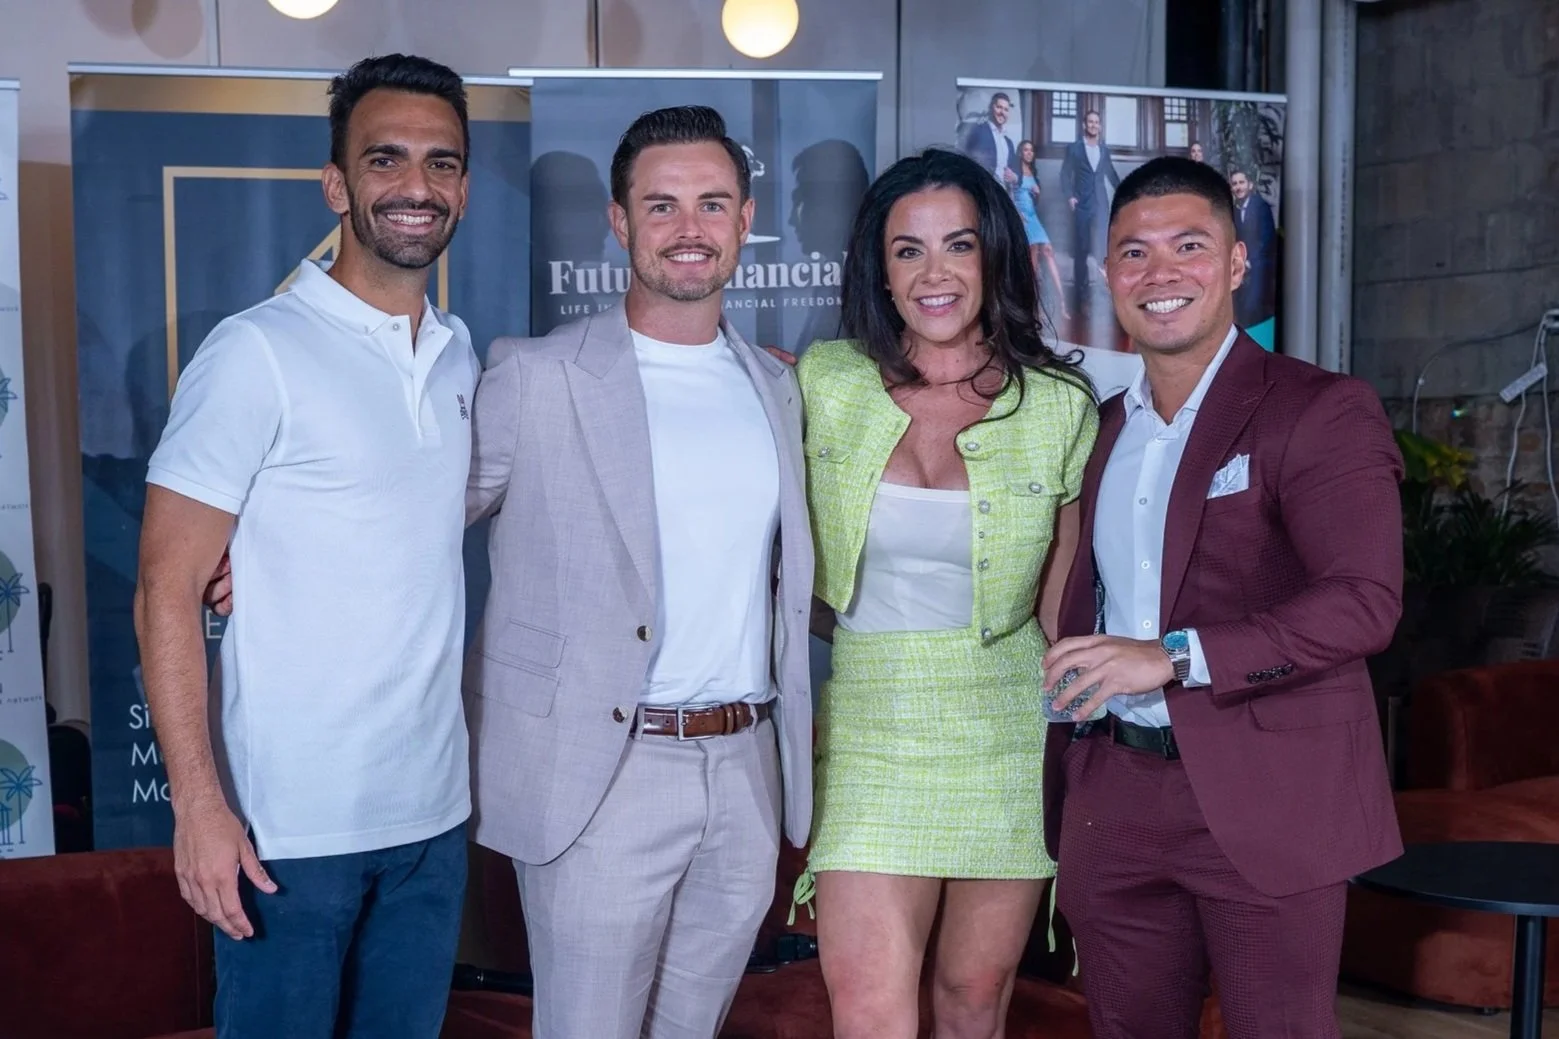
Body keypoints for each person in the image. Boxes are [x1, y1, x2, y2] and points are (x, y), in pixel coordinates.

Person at [134, 54, 477, 1038]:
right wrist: (198, 804)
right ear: (337, 185)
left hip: (432, 820)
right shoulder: (255, 351)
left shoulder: (456, 352)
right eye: (386, 160)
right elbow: (164, 586)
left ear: (461, 185)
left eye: (441, 163)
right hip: (287, 832)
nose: (416, 186)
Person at [463, 105, 814, 1039]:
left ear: (745, 221)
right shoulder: (536, 375)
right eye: (660, 206)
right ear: (619, 223)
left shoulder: (778, 388)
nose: (687, 229)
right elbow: (413, 523)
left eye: (710, 204)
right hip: (601, 770)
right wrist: (263, 556)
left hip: (744, 768)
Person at [1040, 155, 1403, 1038]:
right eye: (1133, 253)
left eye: (1188, 246)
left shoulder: (1318, 409)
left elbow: (1364, 602)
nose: (1159, 274)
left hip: (1268, 797)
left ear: (1237, 263)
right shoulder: (1103, 424)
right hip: (1114, 790)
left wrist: (1168, 656)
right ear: (1106, 275)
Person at [795, 147, 1098, 1039]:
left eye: (957, 245)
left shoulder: (1058, 405)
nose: (934, 273)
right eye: (907, 250)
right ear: (878, 272)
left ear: (992, 257)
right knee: (869, 1009)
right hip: (870, 732)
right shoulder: (824, 383)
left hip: (1003, 729)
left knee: (972, 1001)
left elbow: (1059, 606)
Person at [1058, 110, 1121, 320]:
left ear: (1100, 127)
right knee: (1082, 251)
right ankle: (1080, 300)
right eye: (1090, 121)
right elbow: (1065, 174)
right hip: (1082, 206)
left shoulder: (1104, 150)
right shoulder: (1074, 149)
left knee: (1103, 250)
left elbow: (1110, 173)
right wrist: (1070, 197)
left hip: (1100, 205)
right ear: (1084, 124)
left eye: (1097, 122)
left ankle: (1106, 300)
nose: (1093, 125)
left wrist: (1125, 192)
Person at [1015, 139, 1069, 323]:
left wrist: (1037, 193)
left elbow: (1034, 201)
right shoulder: (1013, 172)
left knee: (1049, 252)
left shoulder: (1033, 173)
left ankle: (1062, 304)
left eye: (1031, 150)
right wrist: (1017, 212)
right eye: (1025, 150)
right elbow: (1007, 193)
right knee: (1033, 264)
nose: (1029, 153)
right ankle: (1033, 307)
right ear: (1020, 152)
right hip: (1022, 218)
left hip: (1034, 218)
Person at [958, 91, 1021, 189]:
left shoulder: (1008, 142)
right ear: (991, 108)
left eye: (1006, 109)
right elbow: (964, 160)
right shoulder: (978, 130)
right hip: (983, 192)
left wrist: (1014, 177)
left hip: (1002, 195)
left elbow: (1016, 169)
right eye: (999, 107)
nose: (1002, 112)